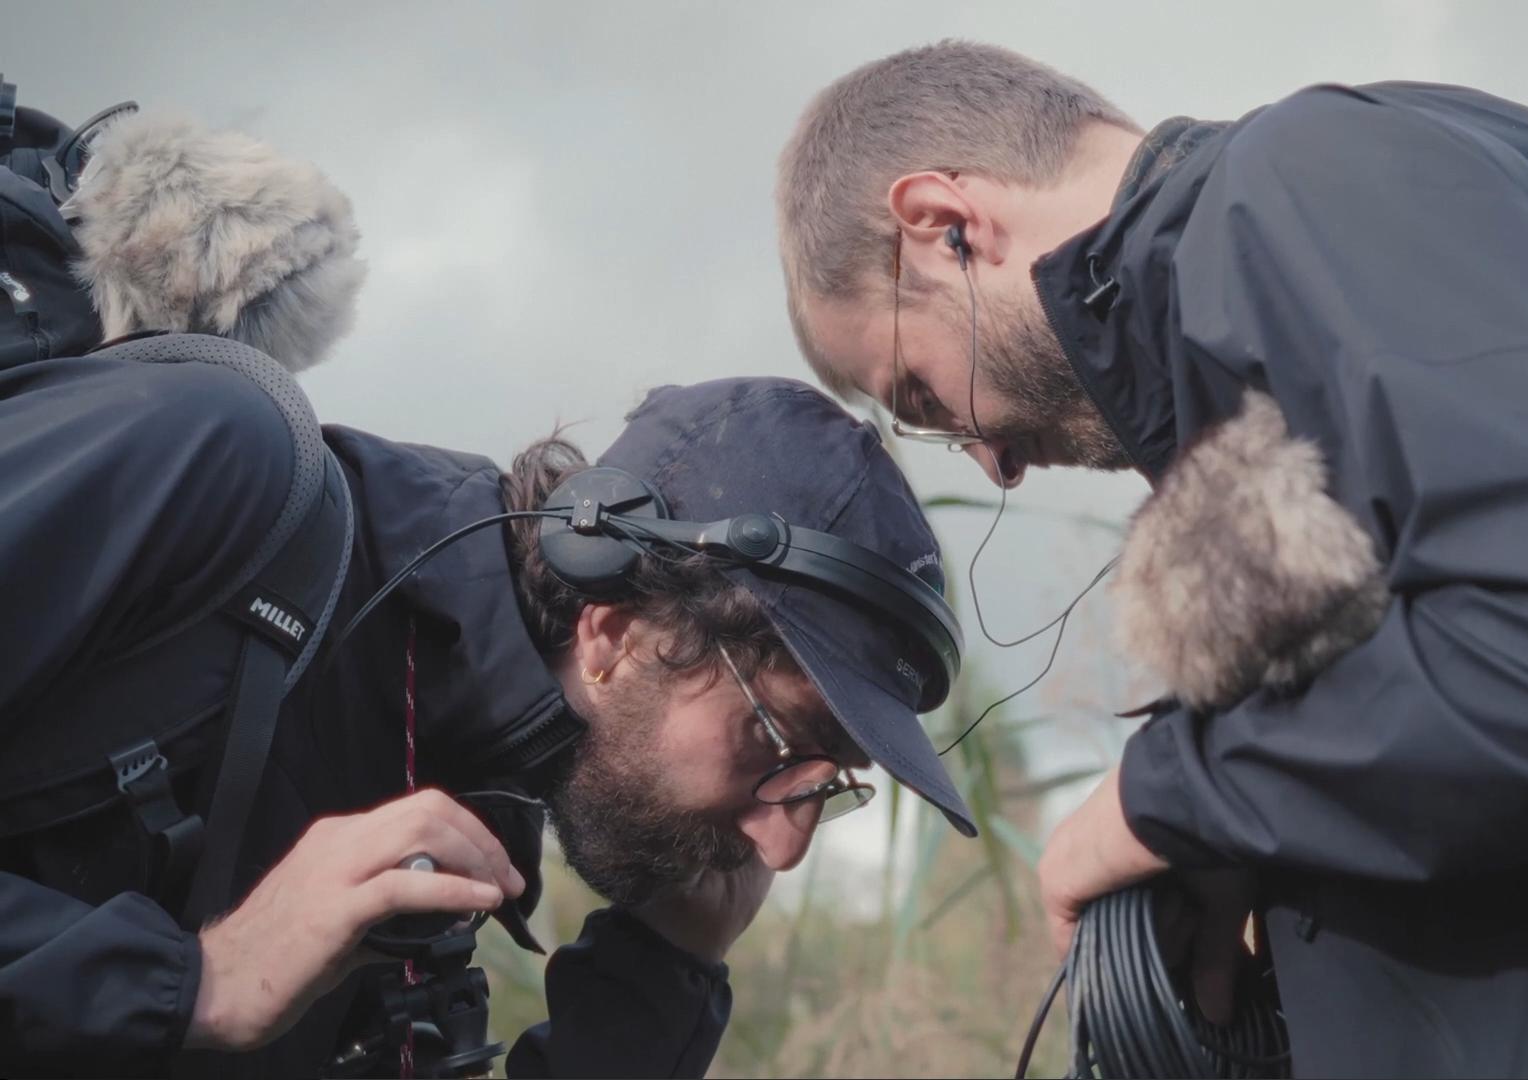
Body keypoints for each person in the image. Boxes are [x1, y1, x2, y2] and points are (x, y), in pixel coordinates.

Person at [774, 39, 1528, 1077]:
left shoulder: (1307, 179)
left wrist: (1166, 797)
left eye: (921, 392)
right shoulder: (1254, 345)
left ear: (945, 224)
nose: (985, 461)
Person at [0, 362, 975, 1077]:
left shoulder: (477, 808)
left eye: (828, 786)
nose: (785, 845)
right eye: (776, 739)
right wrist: (196, 979)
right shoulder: (204, 465)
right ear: (615, 634)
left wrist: (658, 978)